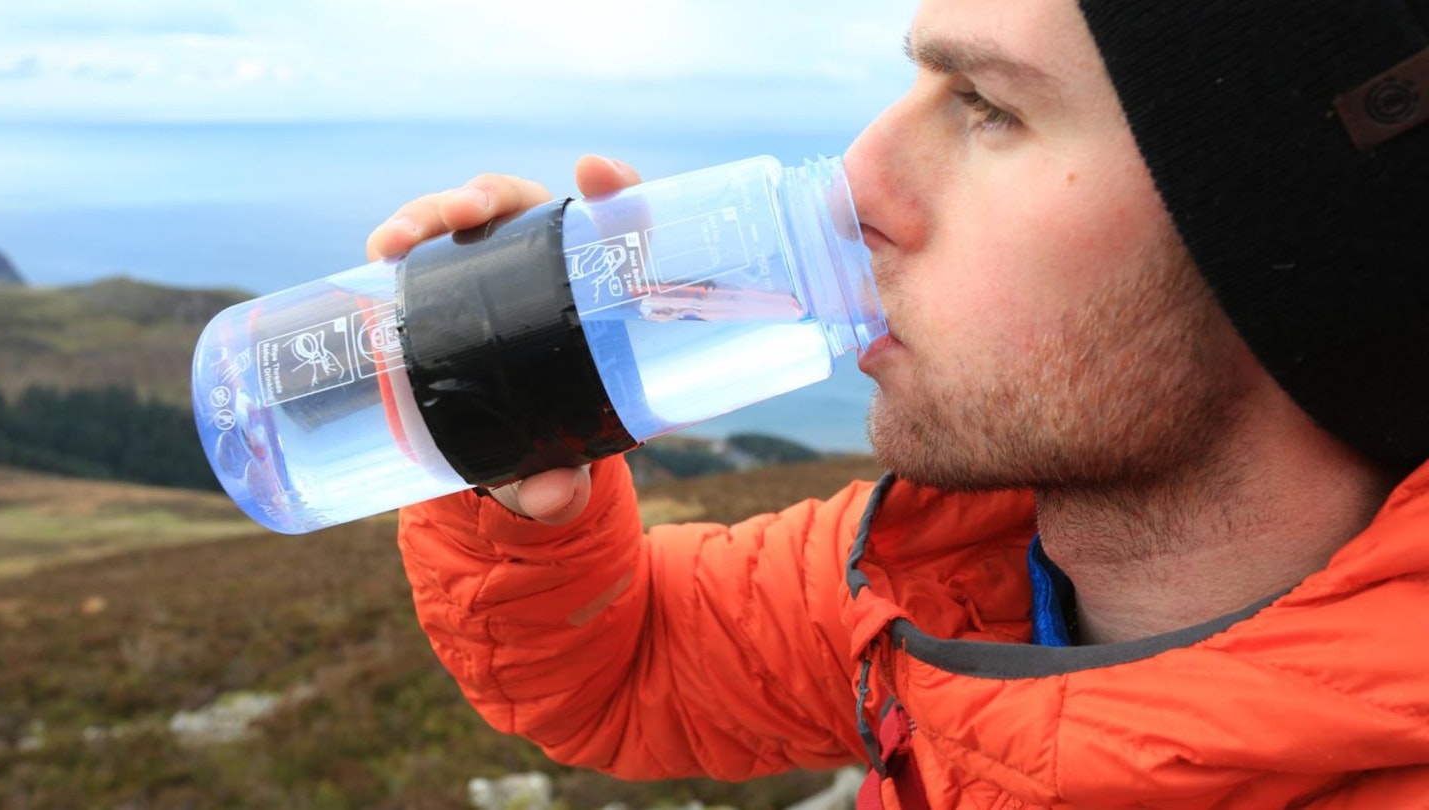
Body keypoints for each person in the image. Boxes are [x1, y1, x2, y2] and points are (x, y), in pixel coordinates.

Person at [367, 0, 1429, 807]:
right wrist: (515, 425)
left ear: (1278, 244)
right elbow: (622, 667)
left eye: (990, 109)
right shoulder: (939, 581)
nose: (852, 186)